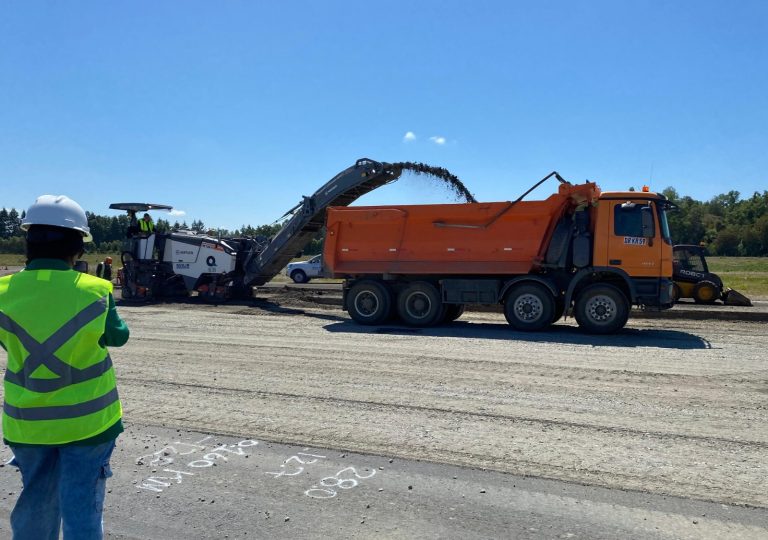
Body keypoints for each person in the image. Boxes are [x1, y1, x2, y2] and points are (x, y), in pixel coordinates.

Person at [0, 194, 129, 539]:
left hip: (27, 424)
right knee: (81, 505)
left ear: (28, 243)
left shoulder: (2, 291)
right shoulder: (96, 290)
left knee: (36, 499)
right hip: (89, 424)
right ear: (78, 248)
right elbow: (118, 337)